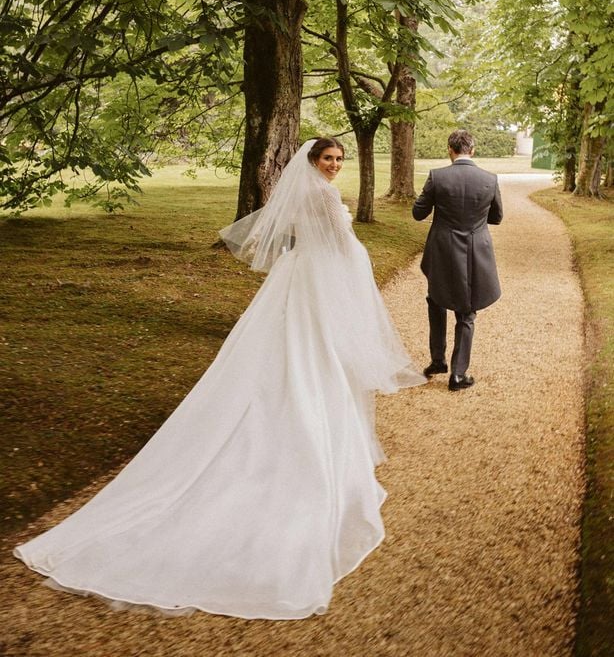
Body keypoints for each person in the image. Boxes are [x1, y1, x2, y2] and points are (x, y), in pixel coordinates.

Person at [14, 137, 425, 620]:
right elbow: (341, 244)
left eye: (338, 160)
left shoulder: (299, 191)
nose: (334, 165)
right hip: (320, 278)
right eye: (327, 159)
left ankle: (285, 410)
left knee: (290, 353)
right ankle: (305, 432)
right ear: (313, 162)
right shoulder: (325, 195)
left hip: (300, 276)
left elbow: (293, 236)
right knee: (315, 357)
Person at [412, 129, 503, 392]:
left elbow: (419, 213)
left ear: (450, 150)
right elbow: (496, 217)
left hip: (442, 249)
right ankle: (458, 374)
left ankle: (437, 361)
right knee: (467, 310)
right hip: (475, 249)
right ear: (472, 150)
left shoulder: (436, 177)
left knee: (436, 300)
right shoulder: (489, 179)